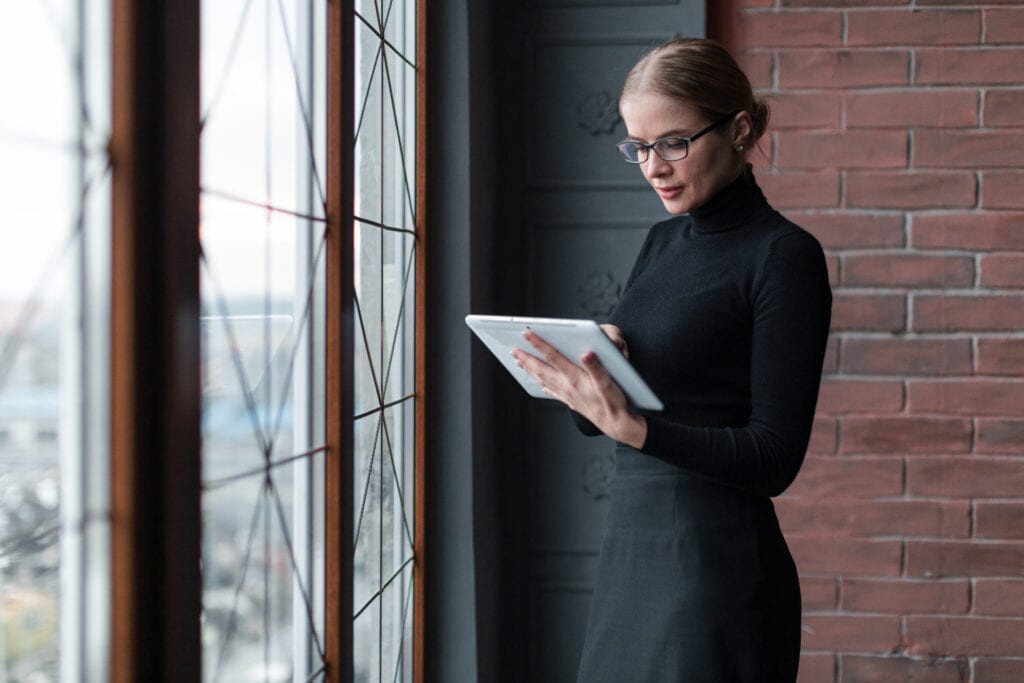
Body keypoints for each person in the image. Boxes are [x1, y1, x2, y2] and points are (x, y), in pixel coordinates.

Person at [510, 38, 832, 681]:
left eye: (674, 143)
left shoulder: (784, 257)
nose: (654, 167)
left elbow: (774, 459)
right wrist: (594, 372)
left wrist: (637, 429)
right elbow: (602, 422)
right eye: (638, 147)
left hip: (716, 566)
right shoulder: (661, 242)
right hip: (633, 550)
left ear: (739, 130)